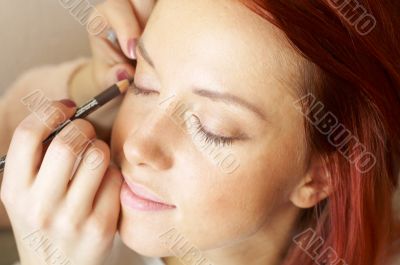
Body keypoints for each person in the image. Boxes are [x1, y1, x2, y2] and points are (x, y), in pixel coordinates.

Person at [0, 0, 399, 265]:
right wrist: (92, 79)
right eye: (144, 84)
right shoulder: (78, 202)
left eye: (212, 128)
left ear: (319, 175)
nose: (138, 145)